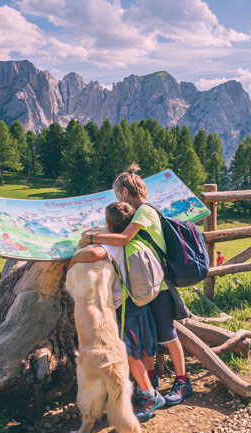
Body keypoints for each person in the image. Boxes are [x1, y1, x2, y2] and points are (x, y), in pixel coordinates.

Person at [83, 164, 194, 408]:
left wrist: (91, 238)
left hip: (160, 285)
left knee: (168, 334)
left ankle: (183, 381)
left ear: (124, 192)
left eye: (117, 196)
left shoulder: (144, 212)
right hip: (145, 286)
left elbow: (124, 238)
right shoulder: (140, 212)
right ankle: (151, 381)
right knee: (149, 337)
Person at [70, 202, 163, 421]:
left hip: (123, 309)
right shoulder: (130, 239)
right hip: (136, 302)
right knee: (137, 348)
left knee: (126, 353)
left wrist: (74, 257)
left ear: (108, 224)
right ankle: (146, 386)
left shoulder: (112, 246)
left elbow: (93, 253)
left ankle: (150, 395)